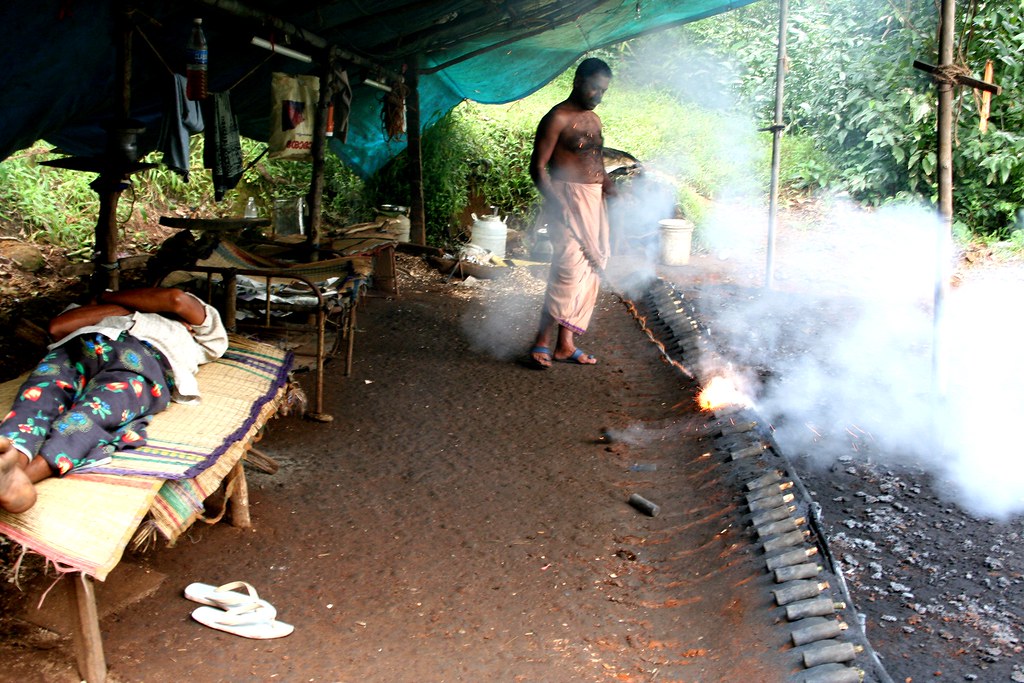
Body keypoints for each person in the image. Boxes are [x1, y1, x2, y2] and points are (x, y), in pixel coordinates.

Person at [0, 287, 228, 513]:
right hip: (81, 346)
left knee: (94, 413)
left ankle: (22, 478)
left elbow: (175, 299)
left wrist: (107, 298)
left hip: (142, 360)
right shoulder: (116, 308)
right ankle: (13, 458)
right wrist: (126, 309)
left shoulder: (209, 329)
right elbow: (58, 327)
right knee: (39, 397)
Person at [528, 57, 614, 369]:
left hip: (593, 199)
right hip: (565, 196)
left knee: (591, 269)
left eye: (603, 91)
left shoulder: (595, 120)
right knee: (566, 269)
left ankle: (565, 345)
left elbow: (596, 161)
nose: (598, 96)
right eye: (594, 88)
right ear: (578, 81)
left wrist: (609, 187)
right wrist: (556, 201)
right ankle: (540, 340)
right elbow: (537, 168)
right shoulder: (557, 118)